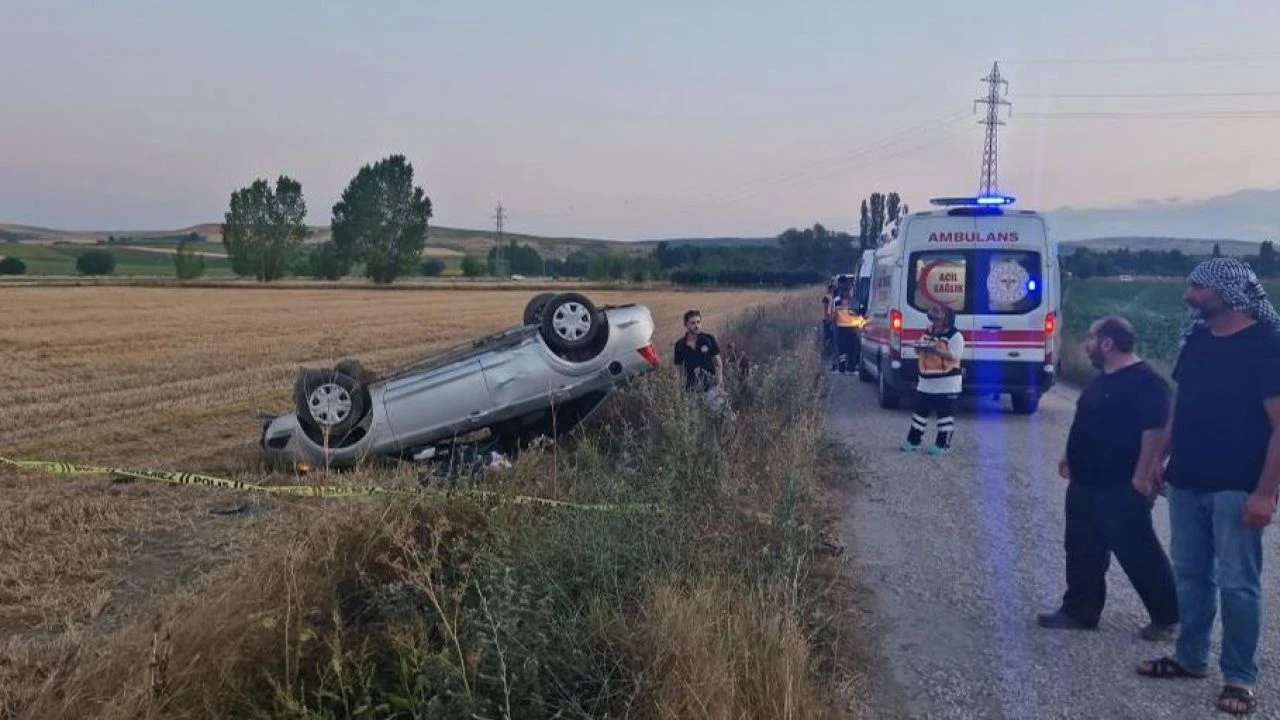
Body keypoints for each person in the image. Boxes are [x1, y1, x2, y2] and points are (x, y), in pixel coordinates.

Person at [1136, 257, 1280, 716]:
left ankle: (1239, 679)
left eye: (1197, 287)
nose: (1188, 294)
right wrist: (1161, 457)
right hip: (1188, 479)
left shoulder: (1266, 346)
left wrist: (1265, 492)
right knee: (1191, 576)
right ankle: (1190, 658)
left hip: (1238, 485)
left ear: (1226, 292)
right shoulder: (1196, 340)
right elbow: (1183, 407)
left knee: (1239, 585)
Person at [1037, 316, 1179, 640]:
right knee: (1081, 548)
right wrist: (1069, 456)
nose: (1086, 344)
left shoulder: (1146, 383)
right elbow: (1085, 420)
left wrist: (1143, 475)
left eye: (1090, 338)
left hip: (1121, 486)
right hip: (1085, 483)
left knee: (1139, 553)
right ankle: (1080, 611)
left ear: (1107, 343)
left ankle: (1167, 617)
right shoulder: (1102, 379)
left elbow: (1156, 432)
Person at [900, 304, 964, 455]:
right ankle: (913, 441)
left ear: (947, 320)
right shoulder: (928, 332)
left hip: (947, 382)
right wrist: (919, 347)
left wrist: (937, 351)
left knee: (945, 415)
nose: (934, 322)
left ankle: (942, 445)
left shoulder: (955, 336)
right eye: (933, 318)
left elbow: (955, 356)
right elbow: (919, 348)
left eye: (937, 319)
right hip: (926, 381)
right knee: (919, 413)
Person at [673, 309, 723, 394]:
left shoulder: (709, 339)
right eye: (693, 323)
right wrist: (678, 393)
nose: (697, 326)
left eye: (698, 322)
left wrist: (720, 384)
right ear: (686, 325)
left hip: (711, 388)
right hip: (691, 391)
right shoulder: (680, 345)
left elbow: (718, 363)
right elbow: (678, 371)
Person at [832, 286, 863, 374]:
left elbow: (834, 315)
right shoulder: (853, 301)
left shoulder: (837, 301)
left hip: (842, 327)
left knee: (843, 350)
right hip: (851, 327)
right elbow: (858, 313)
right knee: (851, 349)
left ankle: (842, 368)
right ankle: (851, 368)